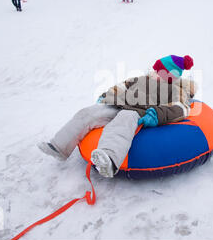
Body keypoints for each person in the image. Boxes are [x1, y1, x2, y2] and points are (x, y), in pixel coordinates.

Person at [38, 55, 196, 178]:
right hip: (116, 104)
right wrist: (106, 96)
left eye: (159, 72)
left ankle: (109, 159)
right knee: (87, 113)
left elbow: (181, 108)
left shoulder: (175, 89)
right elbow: (120, 87)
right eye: (155, 69)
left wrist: (157, 115)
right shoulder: (139, 79)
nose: (154, 73)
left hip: (137, 112)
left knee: (121, 125)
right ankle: (59, 147)